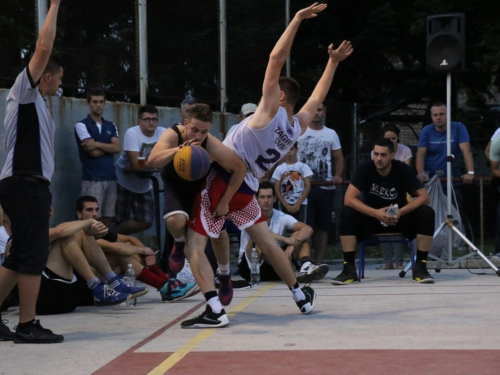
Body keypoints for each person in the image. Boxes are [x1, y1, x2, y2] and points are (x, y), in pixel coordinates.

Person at [181, 3, 353, 328]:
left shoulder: (267, 114)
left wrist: (298, 19)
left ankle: (214, 310)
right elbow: (316, 99)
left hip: (225, 178)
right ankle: (300, 297)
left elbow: (276, 59)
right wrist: (332, 63)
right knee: (266, 241)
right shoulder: (294, 128)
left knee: (194, 243)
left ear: (281, 98)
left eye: (274, 93)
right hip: (248, 189)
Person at [0, 0, 65, 344]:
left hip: (29, 187)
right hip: (24, 186)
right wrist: (54, 5)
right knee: (33, 255)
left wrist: (44, 194)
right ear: (47, 76)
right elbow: (43, 47)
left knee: (17, 256)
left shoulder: (38, 106)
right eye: (58, 79)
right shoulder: (24, 93)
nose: (59, 86)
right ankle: (27, 324)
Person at [148, 103, 247, 301]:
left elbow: (240, 169)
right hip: (175, 184)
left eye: (204, 131)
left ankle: (225, 274)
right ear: (185, 124)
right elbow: (152, 160)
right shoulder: (173, 134)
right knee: (176, 221)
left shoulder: (212, 145)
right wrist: (179, 150)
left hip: (202, 188)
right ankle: (179, 243)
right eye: (194, 130)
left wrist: (225, 201)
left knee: (219, 232)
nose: (198, 136)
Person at [331, 138, 435, 285]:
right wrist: (376, 213)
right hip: (372, 218)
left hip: (398, 218)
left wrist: (401, 211)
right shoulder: (365, 168)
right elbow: (348, 199)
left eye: (383, 155)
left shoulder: (402, 169)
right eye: (376, 154)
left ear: (392, 155)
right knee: (347, 213)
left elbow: (424, 197)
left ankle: (421, 268)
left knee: (426, 212)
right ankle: (348, 269)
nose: (379, 158)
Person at [75, 196, 199, 302]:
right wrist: (143, 251)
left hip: (101, 276)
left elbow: (130, 239)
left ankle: (168, 282)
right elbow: (114, 247)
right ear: (79, 214)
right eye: (89, 210)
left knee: (130, 250)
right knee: (121, 254)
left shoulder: (99, 229)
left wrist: (147, 254)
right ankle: (165, 286)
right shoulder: (80, 232)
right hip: (85, 285)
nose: (95, 214)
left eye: (96, 209)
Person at [238, 182, 328, 283]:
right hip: (252, 267)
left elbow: (308, 229)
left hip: (277, 266)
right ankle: (288, 267)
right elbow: (261, 233)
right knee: (261, 243)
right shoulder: (249, 216)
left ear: (275, 198)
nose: (266, 201)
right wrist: (285, 239)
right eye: (262, 197)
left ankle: (306, 265)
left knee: (301, 235)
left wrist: (293, 244)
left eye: (269, 197)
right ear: (256, 200)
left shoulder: (280, 216)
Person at [297, 103, 344, 265]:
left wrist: (337, 175)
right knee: (305, 226)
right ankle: (306, 262)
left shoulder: (331, 134)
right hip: (302, 188)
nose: (316, 113)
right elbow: (286, 155)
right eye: (313, 110)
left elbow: (338, 158)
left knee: (323, 227)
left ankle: (318, 262)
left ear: (324, 111)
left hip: (325, 187)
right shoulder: (299, 131)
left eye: (319, 110)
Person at [113, 105, 166, 235]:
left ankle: (110, 235)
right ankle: (114, 241)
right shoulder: (132, 133)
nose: (151, 122)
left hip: (144, 184)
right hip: (123, 181)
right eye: (147, 119)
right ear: (139, 121)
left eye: (154, 119)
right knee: (120, 218)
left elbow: (167, 160)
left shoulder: (163, 133)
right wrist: (156, 163)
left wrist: (137, 165)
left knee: (146, 220)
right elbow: (137, 165)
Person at [74, 88, 121, 227]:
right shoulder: (81, 125)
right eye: (95, 102)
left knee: (107, 217)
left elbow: (117, 148)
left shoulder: (110, 125)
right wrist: (108, 147)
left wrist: (96, 144)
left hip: (111, 177)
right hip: (93, 178)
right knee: (91, 219)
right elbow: (92, 152)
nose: (98, 105)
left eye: (101, 102)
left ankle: (101, 246)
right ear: (88, 103)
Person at [415, 101, 475, 209]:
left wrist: (470, 172)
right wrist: (420, 173)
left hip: (452, 182)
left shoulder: (458, 127)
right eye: (435, 115)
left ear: (448, 115)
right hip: (430, 183)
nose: (438, 117)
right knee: (430, 215)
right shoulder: (427, 130)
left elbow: (466, 150)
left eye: (442, 114)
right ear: (432, 116)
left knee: (454, 215)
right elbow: (420, 154)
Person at [371, 124, 412, 270]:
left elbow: (404, 171)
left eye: (393, 138)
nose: (391, 141)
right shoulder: (376, 152)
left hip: (399, 193)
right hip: (382, 193)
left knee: (396, 225)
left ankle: (399, 261)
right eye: (387, 138)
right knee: (383, 226)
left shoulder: (405, 150)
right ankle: (388, 261)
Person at [272, 142, 313, 222]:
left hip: (301, 204)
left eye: (291, 149)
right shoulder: (279, 169)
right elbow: (277, 189)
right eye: (286, 149)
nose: (289, 152)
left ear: (296, 149)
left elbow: (308, 186)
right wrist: (286, 205)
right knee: (285, 229)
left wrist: (298, 203)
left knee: (301, 227)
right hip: (284, 204)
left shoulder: (303, 167)